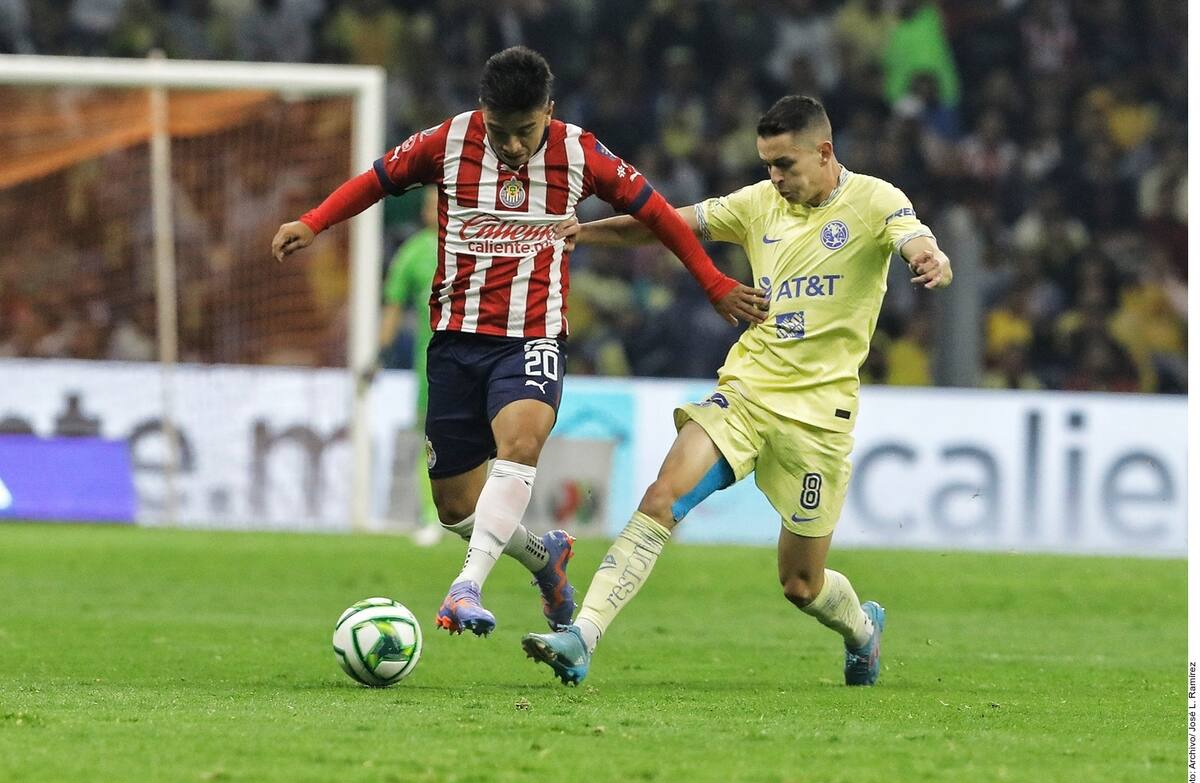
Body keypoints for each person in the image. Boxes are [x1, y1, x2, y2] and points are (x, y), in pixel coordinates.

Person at [271, 46, 767, 638]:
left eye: (525, 131)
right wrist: (313, 221)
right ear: (483, 113)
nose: (510, 145)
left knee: (521, 440)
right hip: (454, 341)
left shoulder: (580, 152)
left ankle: (466, 588)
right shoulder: (446, 142)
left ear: (549, 112)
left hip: (532, 336)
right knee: (456, 508)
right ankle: (545, 558)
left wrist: (713, 282)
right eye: (500, 131)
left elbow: (657, 213)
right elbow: (376, 181)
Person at [522, 95, 953, 686]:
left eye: (785, 165)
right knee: (660, 498)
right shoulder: (756, 204)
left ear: (824, 152)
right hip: (746, 395)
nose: (774, 178)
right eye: (767, 165)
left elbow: (914, 238)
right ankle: (582, 636)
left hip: (819, 421)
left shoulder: (876, 199)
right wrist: (584, 234)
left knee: (801, 584)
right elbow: (666, 224)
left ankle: (862, 629)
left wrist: (930, 258)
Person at [379, 186, 441, 541]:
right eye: (430, 205)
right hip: (430, 364)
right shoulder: (414, 253)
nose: (434, 210)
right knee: (429, 441)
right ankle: (432, 518)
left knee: (486, 441)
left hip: (482, 358)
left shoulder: (476, 245)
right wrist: (380, 352)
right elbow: (393, 305)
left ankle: (484, 518)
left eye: (441, 203)